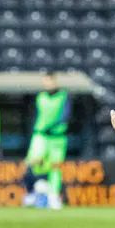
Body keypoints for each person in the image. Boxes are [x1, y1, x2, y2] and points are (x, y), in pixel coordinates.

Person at [23, 72, 71, 210]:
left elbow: (66, 115)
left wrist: (53, 126)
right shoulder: (40, 97)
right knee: (32, 162)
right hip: (41, 135)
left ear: (55, 81)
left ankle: (53, 197)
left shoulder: (63, 96)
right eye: (45, 81)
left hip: (57, 137)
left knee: (55, 167)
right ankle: (33, 191)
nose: (47, 84)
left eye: (50, 81)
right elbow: (35, 116)